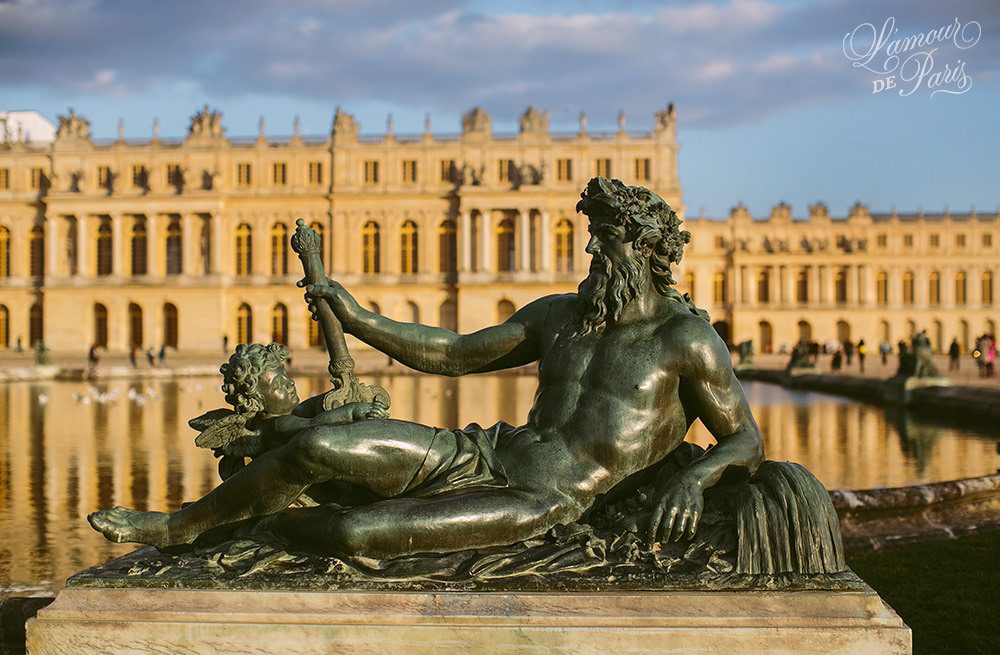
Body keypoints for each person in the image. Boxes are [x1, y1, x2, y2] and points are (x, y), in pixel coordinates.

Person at [88, 177, 827, 571]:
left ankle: (261, 524)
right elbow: (450, 352)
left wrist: (694, 479)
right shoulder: (562, 315)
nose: (592, 253)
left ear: (642, 248)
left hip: (542, 500)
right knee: (316, 446)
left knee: (356, 530)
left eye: (604, 241)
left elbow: (747, 440)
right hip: (485, 451)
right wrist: (358, 316)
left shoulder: (687, 340)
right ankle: (182, 525)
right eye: (593, 239)